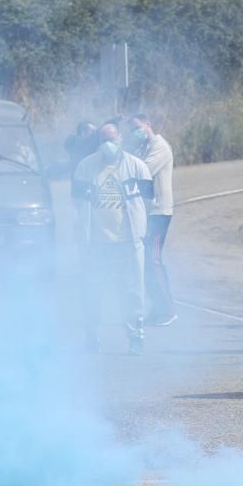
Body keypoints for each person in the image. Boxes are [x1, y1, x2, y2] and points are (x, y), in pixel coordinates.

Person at [73, 123, 153, 355]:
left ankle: (135, 337)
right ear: (98, 142)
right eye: (103, 139)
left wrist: (139, 230)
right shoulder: (85, 167)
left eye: (112, 138)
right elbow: (77, 203)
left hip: (128, 244)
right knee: (92, 291)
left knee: (132, 292)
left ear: (120, 139)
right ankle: (92, 337)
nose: (109, 143)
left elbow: (147, 201)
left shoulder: (137, 167)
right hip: (96, 245)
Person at [128, 113, 177, 326]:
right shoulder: (142, 148)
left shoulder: (159, 146)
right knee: (144, 262)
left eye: (137, 127)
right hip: (146, 212)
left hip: (159, 211)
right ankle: (157, 308)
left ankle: (168, 309)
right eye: (131, 129)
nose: (135, 132)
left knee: (153, 260)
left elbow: (143, 171)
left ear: (148, 124)